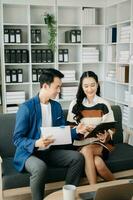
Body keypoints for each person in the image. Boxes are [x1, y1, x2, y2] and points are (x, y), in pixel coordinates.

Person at [13, 68, 84, 200]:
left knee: (78, 158)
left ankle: (67, 196)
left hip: (50, 151)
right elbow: (17, 139)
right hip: (29, 154)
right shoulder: (26, 108)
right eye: (57, 87)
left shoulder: (56, 106)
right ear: (45, 86)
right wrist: (36, 143)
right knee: (40, 167)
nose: (59, 91)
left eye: (60, 87)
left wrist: (77, 131)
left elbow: (61, 131)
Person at [67, 71, 115, 184]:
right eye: (86, 86)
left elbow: (112, 127)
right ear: (81, 87)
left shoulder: (104, 104)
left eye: (93, 85)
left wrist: (107, 135)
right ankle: (123, 189)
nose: (90, 89)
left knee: (87, 149)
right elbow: (69, 127)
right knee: (98, 163)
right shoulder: (75, 104)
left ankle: (92, 190)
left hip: (99, 144)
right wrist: (80, 129)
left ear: (97, 84)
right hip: (80, 144)